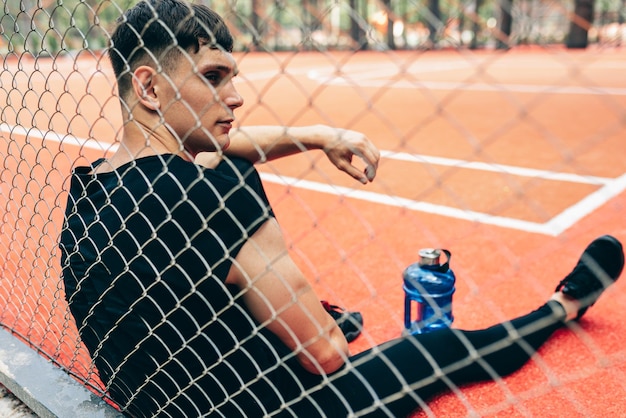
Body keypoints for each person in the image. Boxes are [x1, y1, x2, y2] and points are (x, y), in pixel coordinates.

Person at [59, 1, 625, 417]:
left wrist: (317, 135)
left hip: (158, 395)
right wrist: (325, 333)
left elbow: (214, 145)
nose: (235, 97)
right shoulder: (217, 189)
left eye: (234, 77)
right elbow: (326, 357)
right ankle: (562, 307)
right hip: (273, 407)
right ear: (151, 88)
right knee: (435, 346)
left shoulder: (86, 193)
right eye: (213, 77)